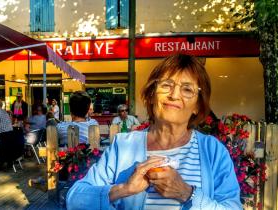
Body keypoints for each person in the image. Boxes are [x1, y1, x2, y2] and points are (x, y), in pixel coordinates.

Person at [66, 54, 242, 209]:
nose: (174, 95)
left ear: (197, 105)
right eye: (166, 85)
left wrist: (187, 194)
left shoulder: (212, 151)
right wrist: (124, 189)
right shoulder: (124, 145)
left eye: (187, 89)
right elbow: (75, 199)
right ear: (152, 94)